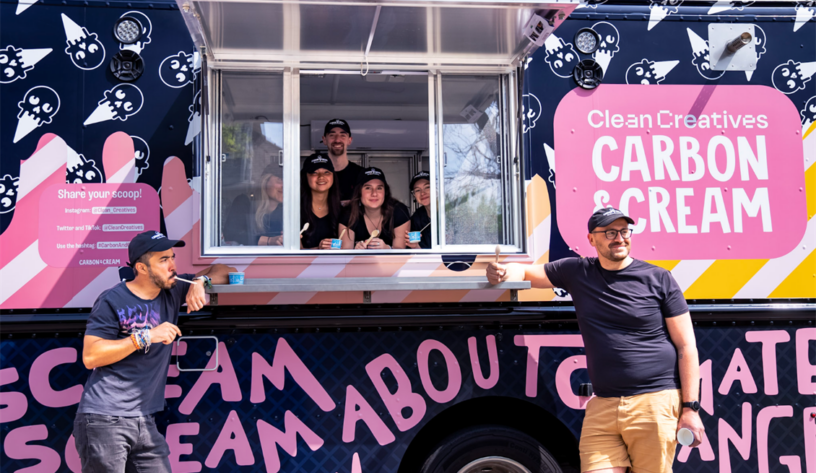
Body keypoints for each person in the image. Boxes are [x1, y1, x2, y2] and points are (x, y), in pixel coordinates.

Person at [487, 207, 704, 473]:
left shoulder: (659, 278)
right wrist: (500, 272)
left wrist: (690, 408)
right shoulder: (577, 272)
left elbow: (686, 347)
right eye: (610, 233)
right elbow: (525, 273)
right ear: (592, 239)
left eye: (624, 231)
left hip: (654, 402)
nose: (619, 238)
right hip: (603, 406)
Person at [73, 231, 234, 472]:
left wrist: (201, 282)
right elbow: (91, 356)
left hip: (144, 419)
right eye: (163, 260)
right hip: (105, 418)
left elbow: (226, 270)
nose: (173, 266)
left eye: (172, 257)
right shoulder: (112, 300)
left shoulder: (173, 289)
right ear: (142, 268)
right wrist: (145, 336)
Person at [339, 167, 410, 249]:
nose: (374, 194)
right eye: (368, 188)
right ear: (359, 192)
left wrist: (387, 249)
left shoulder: (399, 211)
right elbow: (345, 253)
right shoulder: (348, 213)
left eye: (379, 188)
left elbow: (400, 252)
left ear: (385, 192)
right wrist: (356, 251)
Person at [222, 165, 284, 246]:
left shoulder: (287, 211)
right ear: (265, 181)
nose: (284, 186)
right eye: (280, 180)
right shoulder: (244, 202)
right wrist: (269, 241)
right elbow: (231, 235)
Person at [300, 153, 341, 249]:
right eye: (314, 172)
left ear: (333, 176)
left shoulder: (343, 211)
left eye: (326, 172)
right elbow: (293, 253)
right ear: (305, 176)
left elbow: (347, 249)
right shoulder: (294, 211)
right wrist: (318, 250)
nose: (321, 177)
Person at [323, 118, 363, 203]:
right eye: (332, 135)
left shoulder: (361, 175)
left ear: (349, 140)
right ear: (324, 140)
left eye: (343, 135)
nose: (337, 140)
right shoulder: (314, 176)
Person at [405, 170, 432, 249]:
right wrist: (415, 246)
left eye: (427, 187)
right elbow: (421, 252)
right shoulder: (417, 217)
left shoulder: (449, 212)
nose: (422, 193)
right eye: (417, 190)